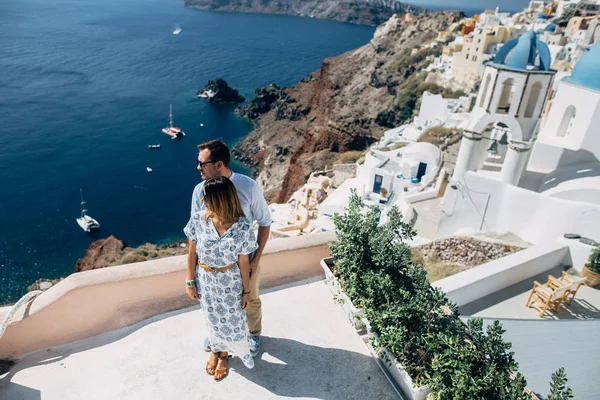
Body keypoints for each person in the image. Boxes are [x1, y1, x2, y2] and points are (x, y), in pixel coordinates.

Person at [190, 139, 271, 357]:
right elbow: (196, 234)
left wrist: (256, 259)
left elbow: (264, 222)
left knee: (250, 299)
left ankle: (252, 335)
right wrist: (195, 273)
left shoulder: (248, 187)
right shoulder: (199, 191)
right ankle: (219, 336)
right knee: (216, 303)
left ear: (218, 164)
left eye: (202, 164)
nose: (198, 168)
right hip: (214, 268)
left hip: (245, 260)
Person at [184, 176, 257, 381]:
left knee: (232, 323)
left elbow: (244, 262)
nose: (202, 201)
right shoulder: (199, 220)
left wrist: (246, 290)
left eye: (206, 197)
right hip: (206, 281)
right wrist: (190, 281)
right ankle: (215, 350)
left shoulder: (242, 227)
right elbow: (192, 253)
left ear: (220, 199)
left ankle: (224, 354)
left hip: (231, 284)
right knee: (212, 320)